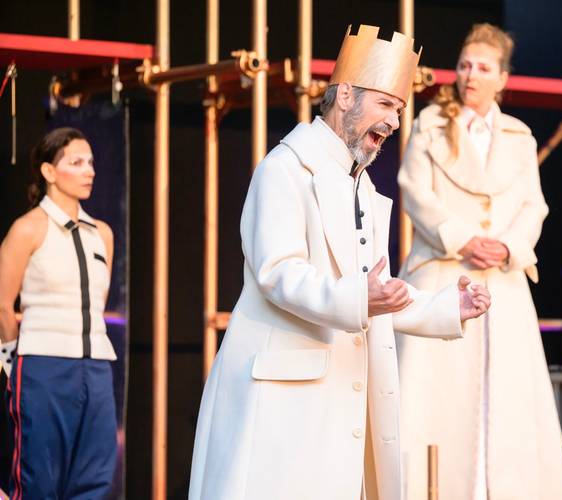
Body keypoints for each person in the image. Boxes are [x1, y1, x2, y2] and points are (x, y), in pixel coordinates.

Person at [187, 24, 491, 500]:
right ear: (345, 96)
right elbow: (278, 273)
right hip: (285, 400)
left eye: (399, 110)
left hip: (341, 396)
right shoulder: (285, 169)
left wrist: (447, 307)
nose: (394, 122)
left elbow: (378, 292)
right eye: (386, 105)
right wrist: (361, 298)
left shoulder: (361, 185)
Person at [396, 23, 562, 500]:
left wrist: (509, 246)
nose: (470, 75)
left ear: (502, 78)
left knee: (507, 399)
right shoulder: (430, 125)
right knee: (437, 396)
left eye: (482, 67)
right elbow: (415, 193)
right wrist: (462, 240)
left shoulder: (519, 136)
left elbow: (533, 205)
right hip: (444, 275)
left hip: (503, 284)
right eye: (464, 65)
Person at [0, 127, 117, 499]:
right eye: (77, 162)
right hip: (43, 365)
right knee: (40, 477)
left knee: (96, 476)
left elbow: (99, 302)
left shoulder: (102, 233)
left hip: (96, 366)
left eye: (91, 162)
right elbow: (2, 304)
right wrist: (12, 361)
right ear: (49, 171)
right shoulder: (28, 228)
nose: (89, 171)